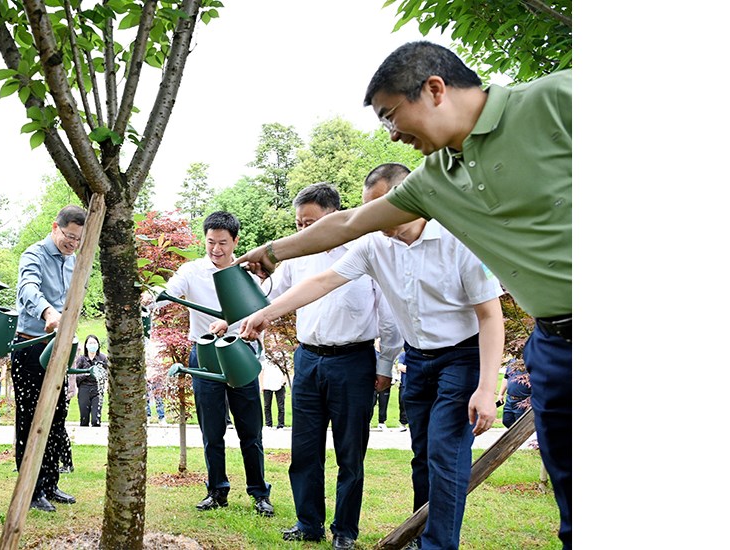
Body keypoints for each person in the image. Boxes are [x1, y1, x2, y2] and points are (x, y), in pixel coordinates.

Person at [235, 41, 571, 547]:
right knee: (573, 493)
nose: (392, 134)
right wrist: (272, 251)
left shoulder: (555, 98)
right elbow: (346, 225)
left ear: (435, 89)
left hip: (475, 353)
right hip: (552, 343)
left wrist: (485, 384)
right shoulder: (434, 180)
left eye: (392, 115)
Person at [241, 163, 505, 550]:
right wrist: (265, 313)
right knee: (422, 455)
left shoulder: (458, 239)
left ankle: (437, 544)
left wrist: (486, 387)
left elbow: (490, 315)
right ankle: (420, 533)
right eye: (367, 208)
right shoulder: (372, 245)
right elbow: (322, 281)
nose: (371, 216)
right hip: (418, 359)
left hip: (461, 357)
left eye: (380, 205)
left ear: (409, 196)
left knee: (444, 454)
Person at [219, 184, 399, 549]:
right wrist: (235, 317)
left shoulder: (365, 252)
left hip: (354, 361)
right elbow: (270, 297)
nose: (303, 232)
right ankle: (308, 522)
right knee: (304, 450)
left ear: (334, 218)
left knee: (350, 453)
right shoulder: (298, 258)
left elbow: (389, 317)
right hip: (308, 360)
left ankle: (345, 531)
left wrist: (384, 363)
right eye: (299, 224)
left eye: (311, 223)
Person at [146, 211, 275, 517]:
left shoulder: (246, 273)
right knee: (211, 430)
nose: (216, 249)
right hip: (204, 354)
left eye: (223, 243)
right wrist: (149, 297)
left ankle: (259, 493)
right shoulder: (192, 271)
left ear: (235, 242)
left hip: (240, 351)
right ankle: (217, 490)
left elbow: (260, 310)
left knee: (250, 430)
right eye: (211, 242)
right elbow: (166, 293)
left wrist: (229, 321)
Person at [13, 205, 87, 512]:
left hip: (60, 349)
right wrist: (48, 312)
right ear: (55, 227)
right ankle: (31, 490)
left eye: (78, 239)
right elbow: (27, 288)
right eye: (69, 236)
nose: (72, 243)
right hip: (31, 346)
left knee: (56, 418)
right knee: (31, 421)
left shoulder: (75, 261)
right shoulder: (34, 255)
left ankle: (50, 484)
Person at [72, 334, 108, 427]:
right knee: (84, 418)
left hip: (97, 388)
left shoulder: (102, 358)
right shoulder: (81, 359)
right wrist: (87, 373)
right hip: (84, 388)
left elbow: (107, 373)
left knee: (96, 419)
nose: (93, 345)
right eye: (90, 343)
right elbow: (76, 375)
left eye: (95, 343)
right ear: (86, 345)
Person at [499, 357, 530, 429]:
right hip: (510, 399)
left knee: (520, 425)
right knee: (506, 421)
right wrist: (501, 394)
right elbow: (506, 378)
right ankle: (518, 436)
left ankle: (520, 438)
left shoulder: (531, 360)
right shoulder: (512, 361)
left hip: (523, 401)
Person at [259, 356, 286, 429]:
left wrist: (284, 380)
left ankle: (281, 425)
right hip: (267, 385)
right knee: (267, 406)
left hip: (279, 384)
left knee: (281, 406)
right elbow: (261, 372)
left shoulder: (281, 355)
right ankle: (268, 424)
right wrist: (261, 385)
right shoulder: (264, 357)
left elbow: (286, 369)